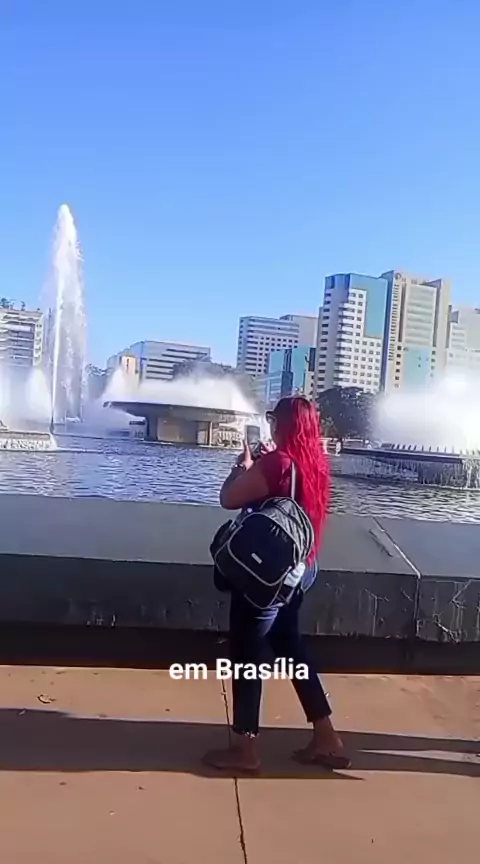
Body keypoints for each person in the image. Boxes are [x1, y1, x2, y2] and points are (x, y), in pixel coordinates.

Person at [204, 396, 350, 773]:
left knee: (246, 655)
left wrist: (241, 468)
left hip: (265, 576)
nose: (269, 424)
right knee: (291, 648)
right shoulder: (315, 463)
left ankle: (245, 748)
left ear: (282, 424)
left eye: (273, 418)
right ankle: (326, 737)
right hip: (301, 569)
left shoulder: (278, 463)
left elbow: (228, 498)